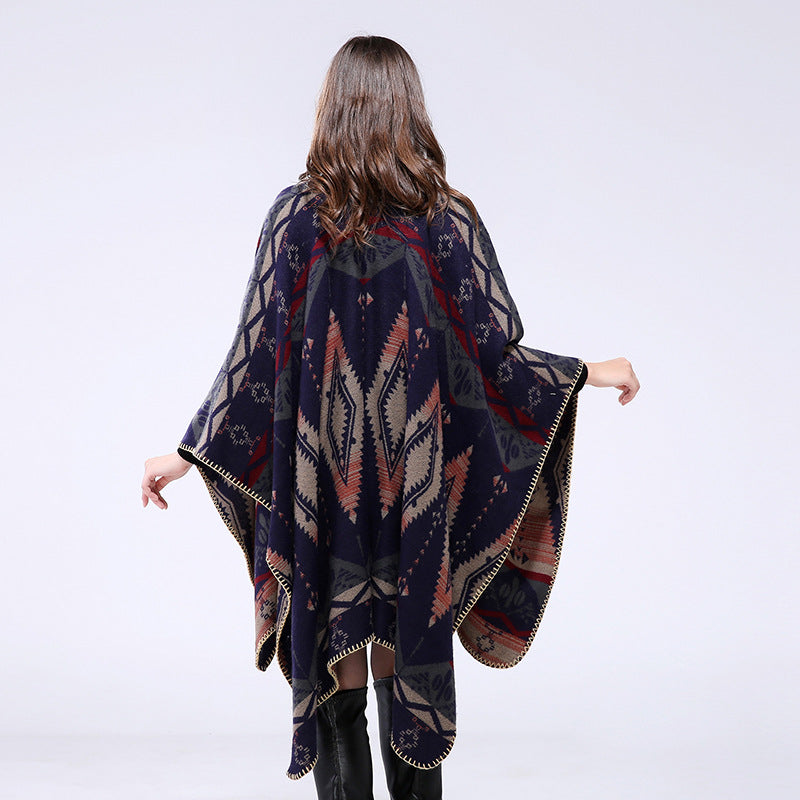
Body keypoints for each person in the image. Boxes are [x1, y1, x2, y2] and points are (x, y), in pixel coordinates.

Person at [141, 35, 639, 800]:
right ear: (410, 109)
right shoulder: (444, 220)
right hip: (414, 492)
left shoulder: (298, 219)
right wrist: (591, 372)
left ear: (331, 107)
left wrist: (184, 455)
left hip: (326, 494)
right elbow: (496, 359)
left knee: (339, 660)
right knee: (404, 659)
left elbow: (252, 362)